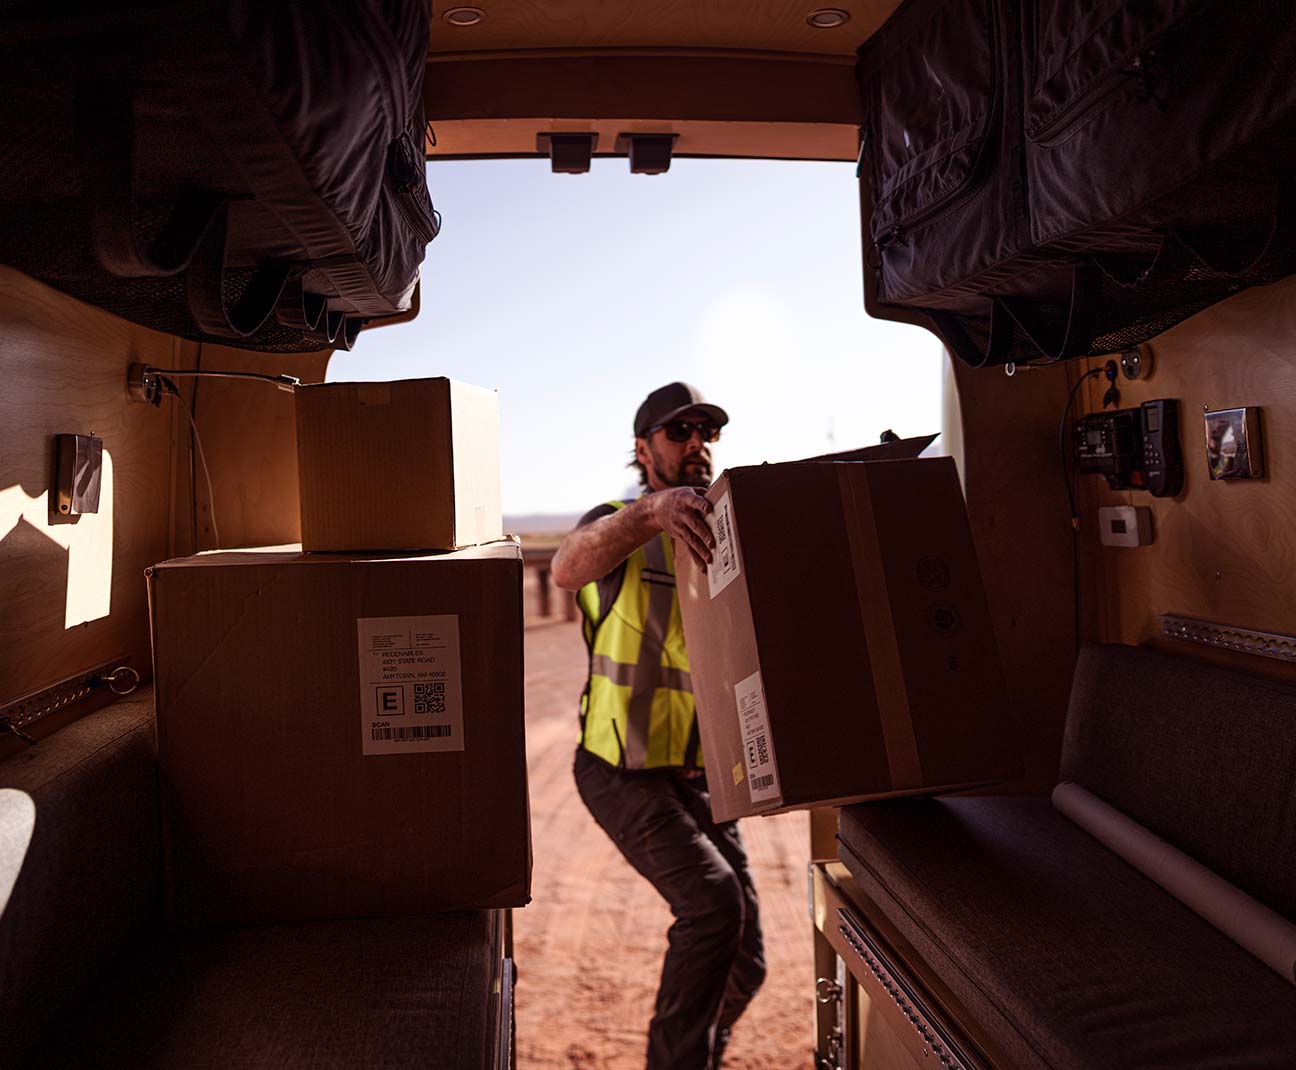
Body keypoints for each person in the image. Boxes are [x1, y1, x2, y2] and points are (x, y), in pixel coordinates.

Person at [551, 382, 766, 1070]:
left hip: (699, 778)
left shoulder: (727, 534)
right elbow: (565, 567)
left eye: (707, 433)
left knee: (748, 963)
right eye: (680, 433)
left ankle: (698, 1050)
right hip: (621, 773)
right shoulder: (617, 524)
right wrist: (651, 513)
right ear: (644, 451)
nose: (698, 445)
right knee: (711, 909)